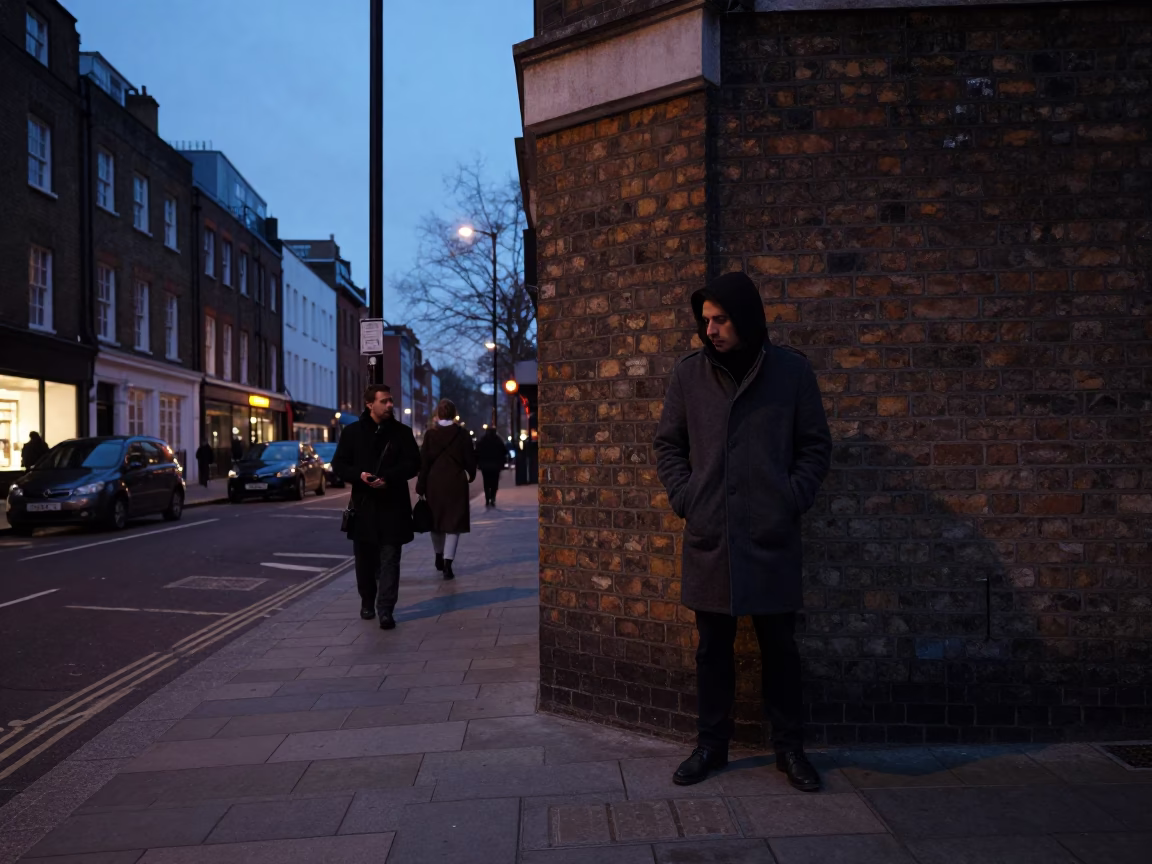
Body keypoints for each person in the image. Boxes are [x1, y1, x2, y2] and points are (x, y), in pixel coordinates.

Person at [653, 271, 832, 792]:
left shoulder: (790, 372)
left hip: (770, 534)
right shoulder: (689, 376)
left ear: (746, 319)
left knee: (780, 647)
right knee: (712, 649)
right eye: (705, 320)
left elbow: (815, 445)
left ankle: (790, 749)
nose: (710, 330)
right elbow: (668, 444)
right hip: (712, 534)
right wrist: (688, 498)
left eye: (721, 319)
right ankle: (711, 745)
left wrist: (789, 497)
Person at [332, 384, 421, 629]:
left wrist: (389, 478)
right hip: (364, 507)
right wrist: (359, 475)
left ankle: (386, 610)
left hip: (393, 506)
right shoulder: (352, 433)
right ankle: (367, 601)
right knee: (365, 561)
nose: (390, 405)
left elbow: (414, 463)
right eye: (384, 401)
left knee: (391, 559)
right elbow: (338, 465)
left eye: (390, 400)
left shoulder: (401, 433)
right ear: (370, 404)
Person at [416, 399, 477, 580]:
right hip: (456, 482)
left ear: (438, 414)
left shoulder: (430, 435)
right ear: (454, 413)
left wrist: (421, 485)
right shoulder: (463, 435)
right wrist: (469, 475)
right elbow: (470, 459)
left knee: (436, 522)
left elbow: (424, 463)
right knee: (453, 524)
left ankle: (438, 555)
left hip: (434, 482)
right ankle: (448, 564)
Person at [476, 427, 505, 507]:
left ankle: (487, 498)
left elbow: (477, 452)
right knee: (494, 483)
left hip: (485, 465)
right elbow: (503, 452)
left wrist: (478, 463)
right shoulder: (498, 440)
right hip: (496, 465)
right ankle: (492, 497)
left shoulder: (483, 440)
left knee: (486, 482)